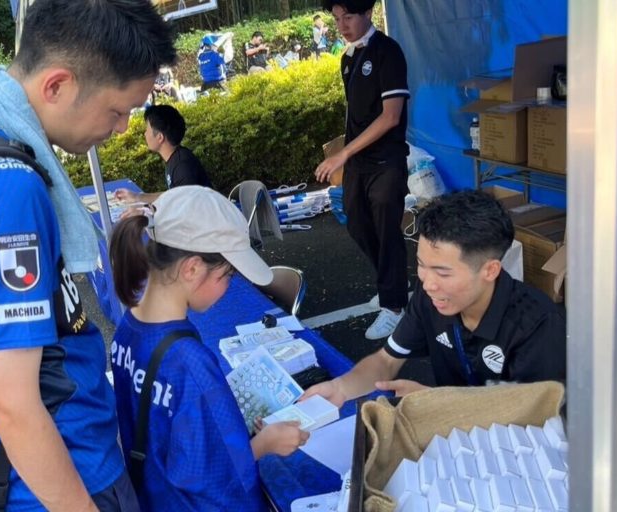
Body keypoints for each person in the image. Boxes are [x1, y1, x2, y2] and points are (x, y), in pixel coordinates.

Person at [0, 0, 176, 510]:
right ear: (57, 85)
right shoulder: (7, 191)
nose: (123, 128)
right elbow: (11, 403)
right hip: (62, 477)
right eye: (118, 110)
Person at [109, 185, 309, 510]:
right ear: (191, 268)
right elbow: (211, 477)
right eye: (228, 274)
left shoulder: (126, 328)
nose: (229, 287)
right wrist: (265, 443)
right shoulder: (190, 361)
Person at [302, 190, 567, 405]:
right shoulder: (431, 297)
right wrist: (341, 388)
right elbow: (386, 361)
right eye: (421, 264)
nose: (428, 284)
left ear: (490, 270)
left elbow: (533, 415)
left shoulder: (537, 324)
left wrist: (436, 402)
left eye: (442, 273)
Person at [314, 0, 411, 341]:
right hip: (359, 162)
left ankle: (394, 306)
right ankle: (391, 284)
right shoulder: (348, 58)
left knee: (386, 226)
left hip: (386, 160)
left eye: (349, 17)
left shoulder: (388, 51)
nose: (342, 25)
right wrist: (346, 154)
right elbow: (354, 115)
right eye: (337, 18)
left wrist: (342, 154)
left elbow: (391, 116)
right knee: (356, 222)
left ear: (368, 13)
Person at [115, 104, 211, 210]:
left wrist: (145, 211)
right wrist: (137, 197)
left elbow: (184, 207)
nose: (145, 134)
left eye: (147, 129)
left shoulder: (182, 166)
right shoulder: (176, 159)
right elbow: (172, 196)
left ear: (160, 137)